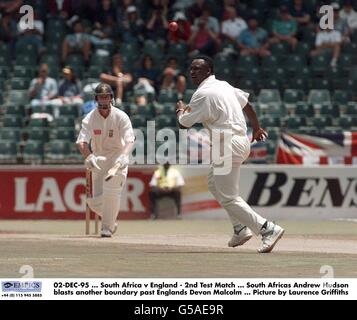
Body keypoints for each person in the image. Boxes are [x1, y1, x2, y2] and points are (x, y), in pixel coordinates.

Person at [176, 56, 284, 253]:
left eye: (198, 69)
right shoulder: (224, 86)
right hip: (240, 142)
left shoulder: (201, 94)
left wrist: (180, 111)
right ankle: (240, 228)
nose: (192, 72)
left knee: (229, 197)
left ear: (208, 71)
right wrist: (257, 128)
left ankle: (268, 229)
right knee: (213, 184)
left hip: (227, 145)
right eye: (191, 68)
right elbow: (247, 105)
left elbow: (183, 124)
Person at [76, 83, 135, 237]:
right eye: (101, 97)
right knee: (93, 202)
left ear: (111, 98)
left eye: (106, 96)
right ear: (96, 99)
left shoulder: (121, 116)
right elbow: (82, 141)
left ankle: (106, 228)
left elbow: (130, 140)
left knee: (111, 190)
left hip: (117, 158)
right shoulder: (89, 118)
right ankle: (111, 219)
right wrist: (88, 156)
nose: (104, 100)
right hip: (98, 158)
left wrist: (124, 156)